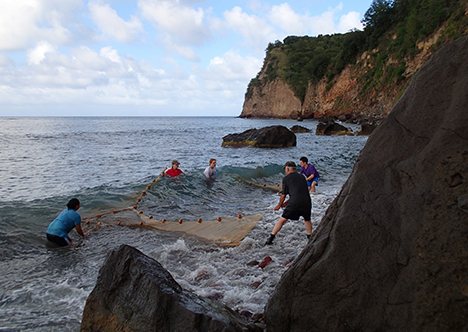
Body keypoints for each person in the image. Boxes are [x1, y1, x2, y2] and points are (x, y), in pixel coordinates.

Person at [265, 161, 312, 245]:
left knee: (282, 220)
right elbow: (299, 193)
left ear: (287, 169)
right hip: (306, 201)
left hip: (295, 202)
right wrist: (286, 203)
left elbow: (283, 195)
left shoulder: (286, 178)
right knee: (307, 220)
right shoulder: (302, 177)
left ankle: (270, 239)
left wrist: (279, 205)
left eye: (285, 170)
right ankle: (310, 238)